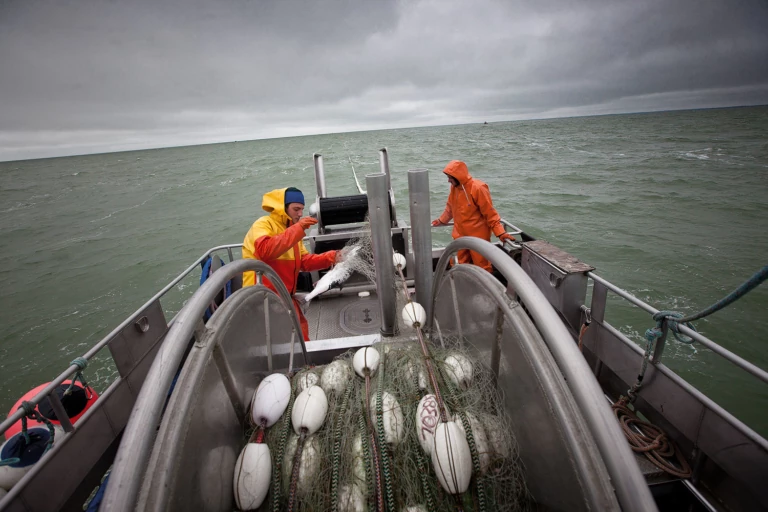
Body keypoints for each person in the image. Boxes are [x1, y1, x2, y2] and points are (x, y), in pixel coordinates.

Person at [242, 187, 338, 341]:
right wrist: (299, 228)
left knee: (301, 336)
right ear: (283, 207)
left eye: (302, 209)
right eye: (296, 209)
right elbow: (265, 250)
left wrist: (333, 257)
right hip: (262, 300)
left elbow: (304, 262)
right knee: (278, 343)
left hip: (285, 298)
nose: (300, 214)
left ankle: (307, 365)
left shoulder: (292, 231)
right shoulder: (263, 224)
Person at [431, 160, 514, 272]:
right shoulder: (454, 188)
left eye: (450, 177)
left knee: (482, 266)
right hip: (460, 234)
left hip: (478, 236)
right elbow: (450, 207)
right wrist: (441, 220)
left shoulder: (478, 188)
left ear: (458, 176)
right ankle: (462, 285)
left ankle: (484, 288)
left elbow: (490, 213)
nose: (448, 180)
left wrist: (501, 232)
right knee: (457, 264)